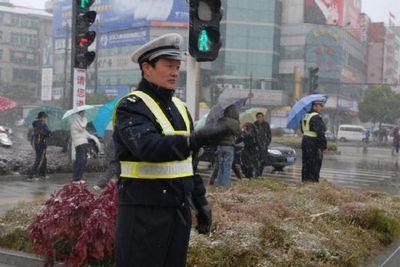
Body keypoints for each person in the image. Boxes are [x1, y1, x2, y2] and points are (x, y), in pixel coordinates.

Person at [113, 33, 229, 266]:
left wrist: (200, 202)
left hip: (178, 212)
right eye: (168, 66)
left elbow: (187, 165)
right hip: (144, 213)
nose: (175, 72)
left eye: (177, 66)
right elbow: (147, 148)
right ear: (147, 68)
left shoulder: (179, 107)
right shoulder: (131, 106)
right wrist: (193, 140)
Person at [214, 105, 241, 187]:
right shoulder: (235, 122)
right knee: (227, 166)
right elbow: (238, 133)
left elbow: (216, 132)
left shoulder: (220, 120)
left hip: (220, 146)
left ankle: (219, 183)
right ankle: (224, 184)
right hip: (229, 146)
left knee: (220, 165)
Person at [301, 100, 327, 182]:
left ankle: (305, 180)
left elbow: (302, 130)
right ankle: (313, 182)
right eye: (320, 106)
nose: (321, 108)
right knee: (314, 165)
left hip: (305, 141)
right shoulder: (316, 117)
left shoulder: (305, 115)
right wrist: (324, 145)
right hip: (313, 143)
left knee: (306, 164)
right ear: (314, 106)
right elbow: (320, 132)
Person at [27, 112, 51, 181]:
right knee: (39, 159)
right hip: (40, 143)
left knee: (43, 159)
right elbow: (46, 132)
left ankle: (42, 174)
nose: (46, 119)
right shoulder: (42, 124)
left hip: (37, 142)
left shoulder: (36, 123)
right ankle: (31, 176)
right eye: (46, 117)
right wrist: (49, 133)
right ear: (43, 117)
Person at [70, 110, 90, 181]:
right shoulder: (76, 119)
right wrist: (85, 120)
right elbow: (82, 128)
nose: (84, 114)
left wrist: (90, 136)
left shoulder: (78, 120)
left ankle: (78, 177)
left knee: (82, 160)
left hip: (82, 143)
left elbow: (84, 132)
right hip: (80, 143)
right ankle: (77, 178)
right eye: (83, 113)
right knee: (81, 160)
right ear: (80, 113)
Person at [253, 112, 271, 177]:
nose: (259, 118)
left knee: (263, 161)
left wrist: (267, 143)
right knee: (256, 161)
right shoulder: (254, 125)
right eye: (258, 117)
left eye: (260, 117)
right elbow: (252, 135)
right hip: (256, 146)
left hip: (264, 146)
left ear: (263, 117)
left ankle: (260, 174)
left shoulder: (266, 124)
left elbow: (269, 135)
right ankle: (256, 174)